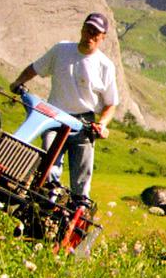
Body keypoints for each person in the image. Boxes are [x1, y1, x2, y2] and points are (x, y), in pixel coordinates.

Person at [9, 12, 118, 201]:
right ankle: (45, 202)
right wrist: (18, 82)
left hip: (84, 125)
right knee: (48, 168)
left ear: (103, 37)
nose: (91, 34)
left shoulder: (105, 66)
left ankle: (78, 212)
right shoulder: (61, 50)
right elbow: (35, 68)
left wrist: (103, 124)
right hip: (53, 118)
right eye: (88, 29)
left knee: (82, 179)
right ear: (82, 29)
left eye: (96, 32)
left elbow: (111, 103)